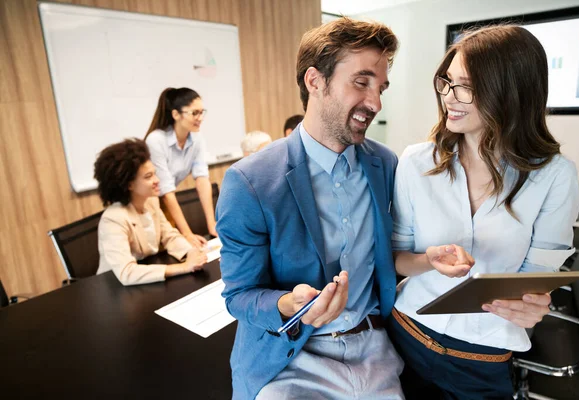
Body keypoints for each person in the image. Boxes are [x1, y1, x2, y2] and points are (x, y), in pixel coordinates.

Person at [387, 25, 579, 400]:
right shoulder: (415, 162)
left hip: (482, 359)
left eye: (466, 87)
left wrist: (533, 306)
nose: (449, 98)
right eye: (447, 82)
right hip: (406, 338)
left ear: (510, 93)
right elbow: (396, 258)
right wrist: (428, 260)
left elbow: (539, 275)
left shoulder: (554, 175)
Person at [216, 17, 404, 400]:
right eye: (361, 82)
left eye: (381, 88)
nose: (376, 103)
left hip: (374, 351)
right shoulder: (250, 182)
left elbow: (394, 255)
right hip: (292, 357)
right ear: (315, 81)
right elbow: (239, 296)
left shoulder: (384, 164)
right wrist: (288, 304)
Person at [95, 139, 207, 286]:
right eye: (148, 177)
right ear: (129, 184)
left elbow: (169, 236)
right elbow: (126, 272)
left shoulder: (151, 202)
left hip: (147, 282)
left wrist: (190, 252)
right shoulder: (113, 219)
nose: (157, 180)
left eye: (155, 173)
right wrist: (183, 267)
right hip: (113, 288)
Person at [145, 87, 217, 248]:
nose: (200, 118)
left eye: (201, 112)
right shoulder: (156, 140)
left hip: (164, 201)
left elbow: (202, 179)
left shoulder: (196, 138)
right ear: (176, 114)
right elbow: (166, 190)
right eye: (194, 113)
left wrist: (212, 224)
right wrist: (187, 233)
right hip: (147, 206)